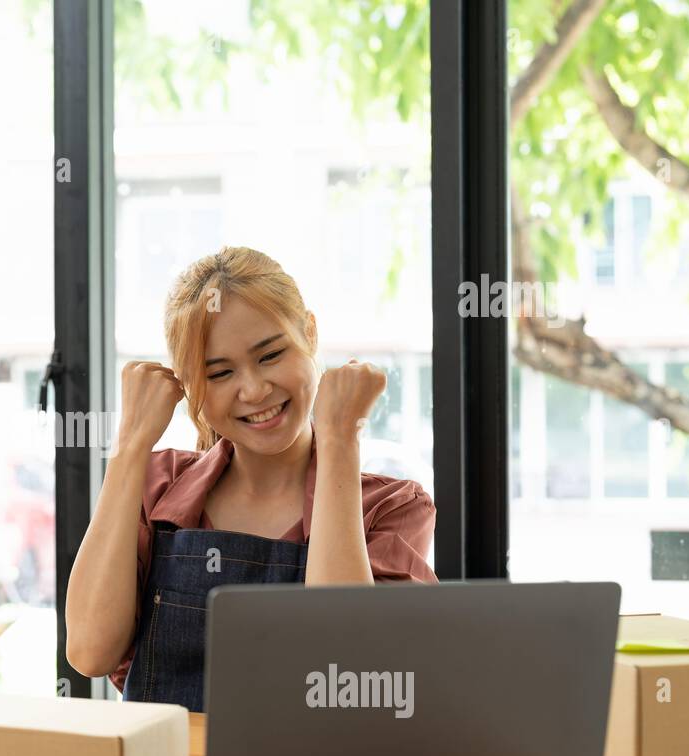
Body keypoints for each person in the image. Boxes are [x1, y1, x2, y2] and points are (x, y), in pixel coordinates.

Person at [64, 246, 438, 712]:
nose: (255, 390)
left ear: (310, 333)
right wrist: (130, 447)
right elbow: (88, 650)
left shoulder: (391, 507)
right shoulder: (156, 487)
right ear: (189, 385)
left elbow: (350, 672)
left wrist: (341, 440)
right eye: (219, 373)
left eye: (271, 355)